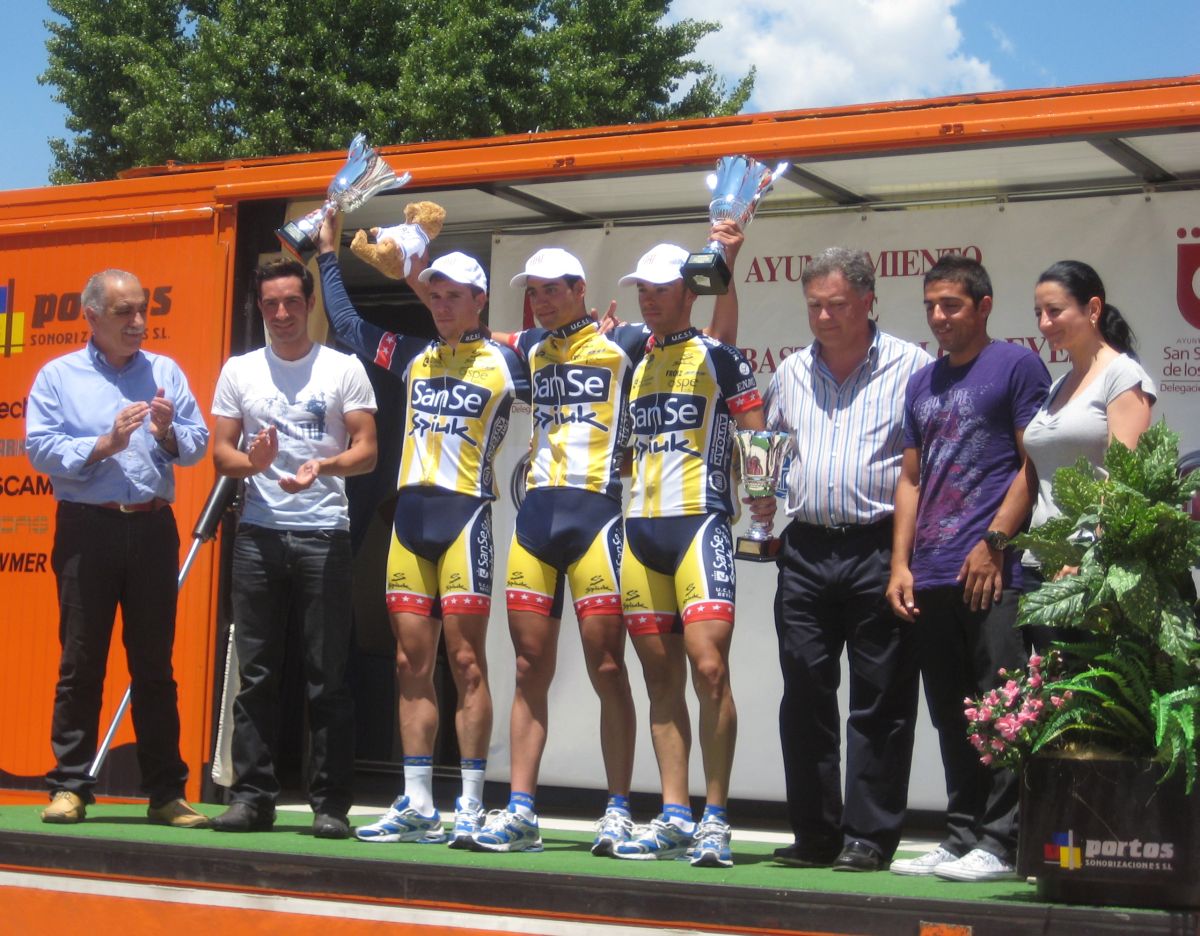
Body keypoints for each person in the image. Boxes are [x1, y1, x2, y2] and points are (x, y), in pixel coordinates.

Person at [473, 223, 743, 855]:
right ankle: (525, 809)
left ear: (580, 290)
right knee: (533, 665)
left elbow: (718, 346)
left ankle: (634, 809)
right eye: (533, 290)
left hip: (615, 520)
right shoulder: (531, 347)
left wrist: (728, 256)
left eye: (553, 289)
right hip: (546, 520)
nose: (542, 299)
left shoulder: (626, 342)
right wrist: (412, 275)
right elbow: (463, 327)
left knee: (622, 665)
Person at [315, 215, 530, 847]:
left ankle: (471, 804)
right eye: (434, 295)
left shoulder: (506, 361)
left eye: (453, 296)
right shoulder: (415, 354)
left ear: (479, 301)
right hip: (409, 520)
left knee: (465, 662)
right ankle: (416, 802)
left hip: (466, 517)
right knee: (410, 660)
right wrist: (327, 254)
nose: (441, 306)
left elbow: (563, 356)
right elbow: (348, 325)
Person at [764, 248, 931, 872]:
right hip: (805, 547)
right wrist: (764, 500)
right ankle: (815, 834)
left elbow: (925, 466)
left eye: (837, 305)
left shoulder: (913, 366)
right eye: (814, 305)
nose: (824, 317)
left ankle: (869, 836)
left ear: (867, 300)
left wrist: (905, 557)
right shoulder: (789, 371)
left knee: (880, 697)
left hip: (879, 545)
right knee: (803, 691)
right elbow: (768, 451)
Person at [26, 268, 210, 828]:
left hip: (152, 528)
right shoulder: (59, 375)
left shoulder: (165, 372)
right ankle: (70, 786)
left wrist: (167, 433)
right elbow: (40, 448)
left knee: (154, 665)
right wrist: (104, 444)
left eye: (142, 310)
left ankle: (166, 794)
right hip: (88, 528)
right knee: (81, 662)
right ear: (91, 317)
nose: (137, 322)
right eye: (124, 312)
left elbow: (197, 444)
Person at [887, 255, 1050, 882]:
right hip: (930, 572)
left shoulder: (1016, 365)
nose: (938, 316)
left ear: (983, 307)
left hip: (993, 571)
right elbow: (910, 477)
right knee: (952, 712)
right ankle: (959, 836)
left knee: (1002, 704)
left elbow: (1032, 464)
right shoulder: (920, 382)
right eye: (931, 305)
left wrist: (995, 540)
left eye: (951, 305)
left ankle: (1003, 841)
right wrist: (900, 563)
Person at [610, 243, 771, 868]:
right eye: (642, 290)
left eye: (660, 289)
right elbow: (627, 450)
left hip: (700, 525)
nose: (648, 300)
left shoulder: (720, 355)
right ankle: (674, 814)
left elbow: (755, 428)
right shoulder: (635, 360)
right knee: (659, 678)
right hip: (641, 531)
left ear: (688, 292)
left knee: (709, 669)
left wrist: (762, 494)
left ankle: (717, 818)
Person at [209, 258, 378, 839]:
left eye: (291, 302)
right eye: (270, 304)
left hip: (324, 532)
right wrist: (251, 462)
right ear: (259, 308)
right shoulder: (239, 369)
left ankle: (330, 805)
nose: (281, 313)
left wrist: (323, 466)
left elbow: (368, 450)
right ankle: (252, 798)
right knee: (256, 673)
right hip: (257, 534)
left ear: (309, 304)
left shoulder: (342, 367)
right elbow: (221, 454)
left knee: (327, 676)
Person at [1023, 260, 1155, 577]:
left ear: (1093, 309)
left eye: (1054, 311)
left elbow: (1123, 477)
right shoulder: (1058, 385)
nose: (1044, 323)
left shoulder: (1122, 375)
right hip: (1039, 562)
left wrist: (1087, 551)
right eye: (1038, 313)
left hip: (1089, 569)